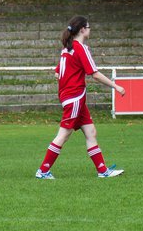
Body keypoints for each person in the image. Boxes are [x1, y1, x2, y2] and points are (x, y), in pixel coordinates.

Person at [36, 16, 126, 179]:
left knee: (91, 132)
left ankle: (102, 171)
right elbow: (95, 74)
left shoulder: (67, 48)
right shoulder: (80, 48)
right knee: (64, 134)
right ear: (83, 29)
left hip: (72, 97)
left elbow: (58, 72)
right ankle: (43, 171)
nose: (90, 30)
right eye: (89, 27)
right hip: (75, 98)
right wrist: (116, 86)